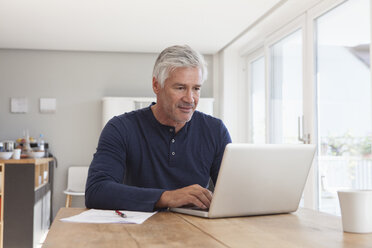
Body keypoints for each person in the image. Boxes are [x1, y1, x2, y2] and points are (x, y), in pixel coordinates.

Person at [85, 45, 231, 212]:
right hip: (136, 232)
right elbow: (96, 191)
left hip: (197, 231)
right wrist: (167, 197)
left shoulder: (215, 130)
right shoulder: (121, 128)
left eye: (196, 88)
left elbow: (233, 194)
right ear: (156, 85)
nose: (190, 98)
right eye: (180, 88)